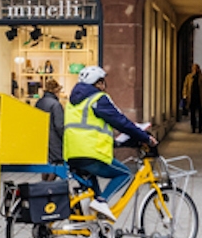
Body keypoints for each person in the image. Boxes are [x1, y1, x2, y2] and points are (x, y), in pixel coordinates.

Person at [64, 65, 158, 221]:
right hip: (91, 154)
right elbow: (121, 122)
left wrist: (117, 142)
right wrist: (145, 137)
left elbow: (86, 130)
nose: (104, 86)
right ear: (98, 83)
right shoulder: (98, 99)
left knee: (93, 194)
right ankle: (102, 202)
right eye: (103, 82)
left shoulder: (73, 102)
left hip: (73, 155)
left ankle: (93, 233)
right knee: (125, 174)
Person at [34, 78, 65, 166]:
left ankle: (44, 180)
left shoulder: (39, 102)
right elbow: (59, 125)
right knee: (56, 165)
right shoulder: (56, 105)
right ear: (56, 91)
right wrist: (64, 137)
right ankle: (48, 181)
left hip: (42, 139)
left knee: (46, 165)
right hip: (54, 140)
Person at [182, 64, 202, 134]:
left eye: (196, 68)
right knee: (192, 113)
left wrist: (200, 74)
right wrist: (185, 95)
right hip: (192, 97)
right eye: (194, 68)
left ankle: (200, 127)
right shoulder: (189, 77)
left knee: (200, 113)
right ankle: (193, 127)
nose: (195, 70)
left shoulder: (201, 76)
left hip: (199, 97)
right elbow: (185, 86)